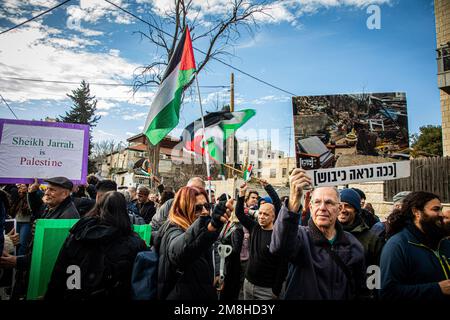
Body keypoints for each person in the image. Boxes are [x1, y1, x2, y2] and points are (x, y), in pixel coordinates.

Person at [270, 168, 366, 300]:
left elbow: (360, 289)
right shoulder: (300, 237)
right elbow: (279, 247)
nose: (322, 208)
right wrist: (294, 200)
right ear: (310, 207)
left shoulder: (353, 245)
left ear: (339, 209)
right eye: (317, 202)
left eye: (328, 202)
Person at [45, 191, 147, 299]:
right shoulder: (134, 242)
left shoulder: (78, 234)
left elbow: (59, 274)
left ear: (98, 207)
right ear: (124, 211)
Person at [154, 186, 232, 300]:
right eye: (198, 208)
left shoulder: (198, 229)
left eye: (206, 206)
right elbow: (179, 251)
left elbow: (206, 244)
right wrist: (208, 226)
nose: (205, 211)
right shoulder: (172, 230)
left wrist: (212, 227)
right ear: (183, 209)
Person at [380, 191, 450, 300]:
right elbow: (388, 293)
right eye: (435, 209)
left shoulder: (443, 241)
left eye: (441, 209)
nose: (441, 214)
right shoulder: (397, 245)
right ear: (416, 212)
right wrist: (437, 289)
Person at [236, 183, 287, 300]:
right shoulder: (254, 227)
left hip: (268, 290)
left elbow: (283, 266)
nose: (261, 216)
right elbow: (239, 213)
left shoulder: (278, 236)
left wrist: (276, 290)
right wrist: (242, 194)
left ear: (274, 217)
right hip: (248, 284)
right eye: (260, 213)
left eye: (266, 214)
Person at [338, 188, 384, 267]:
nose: (343, 210)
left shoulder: (372, 240)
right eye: (339, 206)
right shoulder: (327, 234)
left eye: (347, 206)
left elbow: (377, 270)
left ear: (356, 210)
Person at [9, 184, 32, 255]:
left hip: (26, 223)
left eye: (22, 186)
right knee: (14, 242)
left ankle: (19, 261)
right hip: (16, 222)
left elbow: (30, 208)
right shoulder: (18, 197)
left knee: (22, 243)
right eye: (19, 187)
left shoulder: (29, 197)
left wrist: (28, 193)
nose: (20, 188)